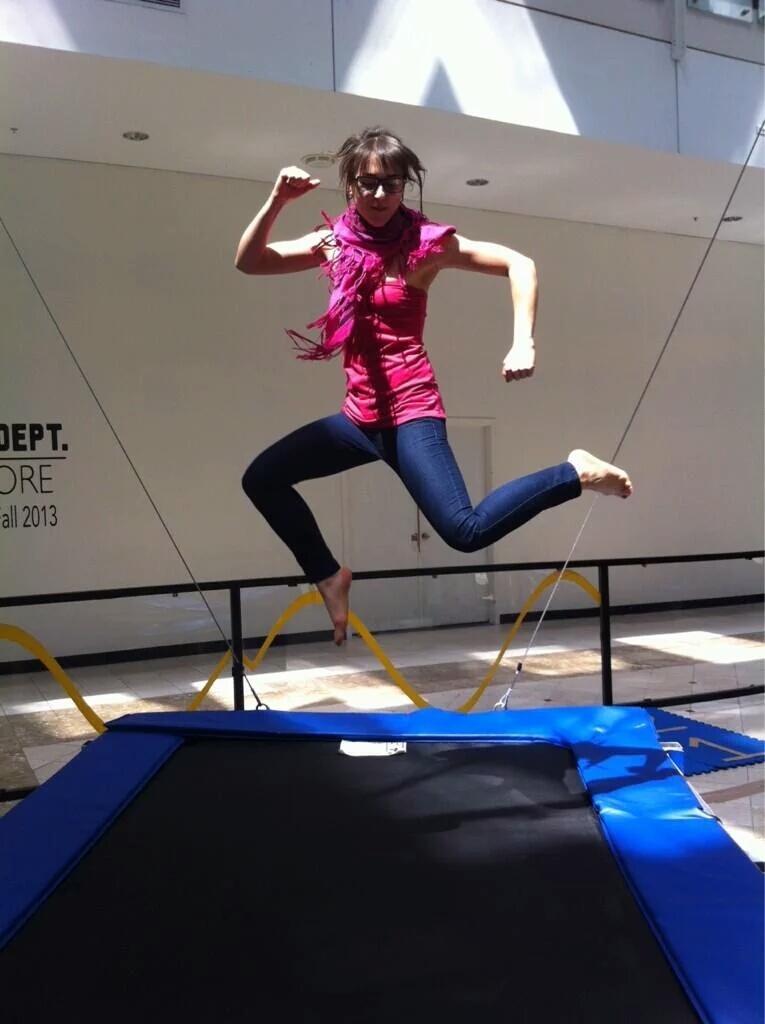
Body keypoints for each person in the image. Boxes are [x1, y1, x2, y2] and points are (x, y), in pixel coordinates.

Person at [236, 127, 632, 645]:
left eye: (392, 184)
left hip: (412, 413)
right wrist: (276, 201)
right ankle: (329, 576)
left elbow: (520, 264)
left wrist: (523, 341)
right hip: (359, 419)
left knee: (466, 532)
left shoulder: (426, 246)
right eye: (368, 184)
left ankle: (575, 472)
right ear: (350, 186)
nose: (381, 195)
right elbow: (250, 261)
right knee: (262, 479)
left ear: (406, 186)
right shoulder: (333, 244)